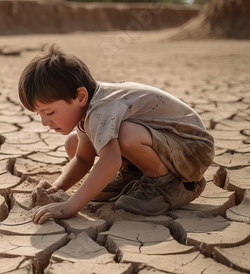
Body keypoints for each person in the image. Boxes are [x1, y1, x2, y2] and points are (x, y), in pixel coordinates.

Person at [18, 44, 214, 224]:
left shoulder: (101, 109)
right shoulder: (87, 110)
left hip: (193, 150)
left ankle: (167, 185)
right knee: (74, 143)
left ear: (80, 96)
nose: (44, 122)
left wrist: (69, 207)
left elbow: (110, 160)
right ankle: (134, 177)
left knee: (125, 134)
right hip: (168, 146)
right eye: (39, 114)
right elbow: (83, 159)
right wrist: (58, 187)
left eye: (49, 112)